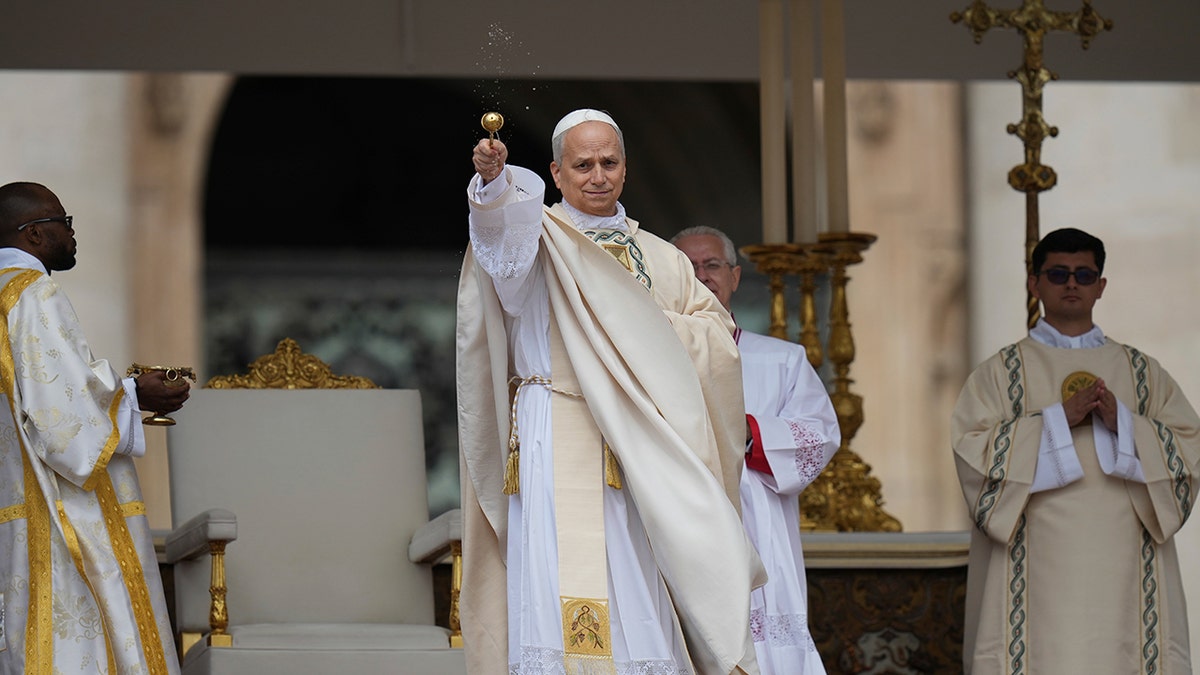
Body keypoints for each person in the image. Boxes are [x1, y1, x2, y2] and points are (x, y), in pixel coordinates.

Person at [456, 109, 766, 674]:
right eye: (582, 164)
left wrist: (649, 332)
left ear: (625, 169)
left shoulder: (663, 257)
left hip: (640, 436)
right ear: (555, 171)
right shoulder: (538, 237)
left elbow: (717, 337)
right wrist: (496, 186)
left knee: (637, 568)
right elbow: (499, 248)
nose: (597, 175)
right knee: (559, 570)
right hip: (560, 425)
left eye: (609, 162)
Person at [951, 227, 1199, 674]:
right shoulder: (1000, 373)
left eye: (1084, 274)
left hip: (1125, 554)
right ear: (1035, 283)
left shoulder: (1142, 372)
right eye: (1059, 273)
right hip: (1036, 557)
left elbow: (1188, 447)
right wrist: (1056, 421)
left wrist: (1121, 422)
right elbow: (973, 451)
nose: (1071, 284)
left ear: (1101, 286)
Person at [0, 181, 188, 674]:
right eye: (63, 221)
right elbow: (60, 420)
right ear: (34, 234)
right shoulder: (34, 294)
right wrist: (133, 392)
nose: (71, 232)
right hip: (56, 512)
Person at [671, 226, 839, 675]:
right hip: (675, 522)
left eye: (712, 265)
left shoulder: (782, 359)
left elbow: (819, 435)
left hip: (757, 528)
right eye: (687, 267)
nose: (701, 275)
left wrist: (745, 432)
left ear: (735, 276)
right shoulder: (646, 359)